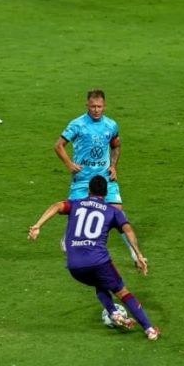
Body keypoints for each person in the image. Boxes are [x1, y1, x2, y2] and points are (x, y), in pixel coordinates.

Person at [28, 175, 160, 340]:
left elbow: (56, 206)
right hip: (99, 262)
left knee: (99, 283)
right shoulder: (113, 211)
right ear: (106, 193)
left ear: (88, 190)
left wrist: (38, 225)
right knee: (123, 292)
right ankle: (149, 329)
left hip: (74, 266)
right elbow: (128, 231)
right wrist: (138, 255)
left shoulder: (76, 204)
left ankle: (113, 312)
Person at [54, 89, 142, 264]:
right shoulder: (77, 124)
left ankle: (135, 254)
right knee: (77, 211)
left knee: (118, 213)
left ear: (105, 106)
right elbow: (59, 146)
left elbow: (116, 145)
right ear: (87, 105)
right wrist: (69, 164)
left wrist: (114, 166)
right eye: (93, 106)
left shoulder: (111, 125)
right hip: (84, 179)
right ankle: (68, 238)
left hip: (104, 179)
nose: (96, 110)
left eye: (99, 106)